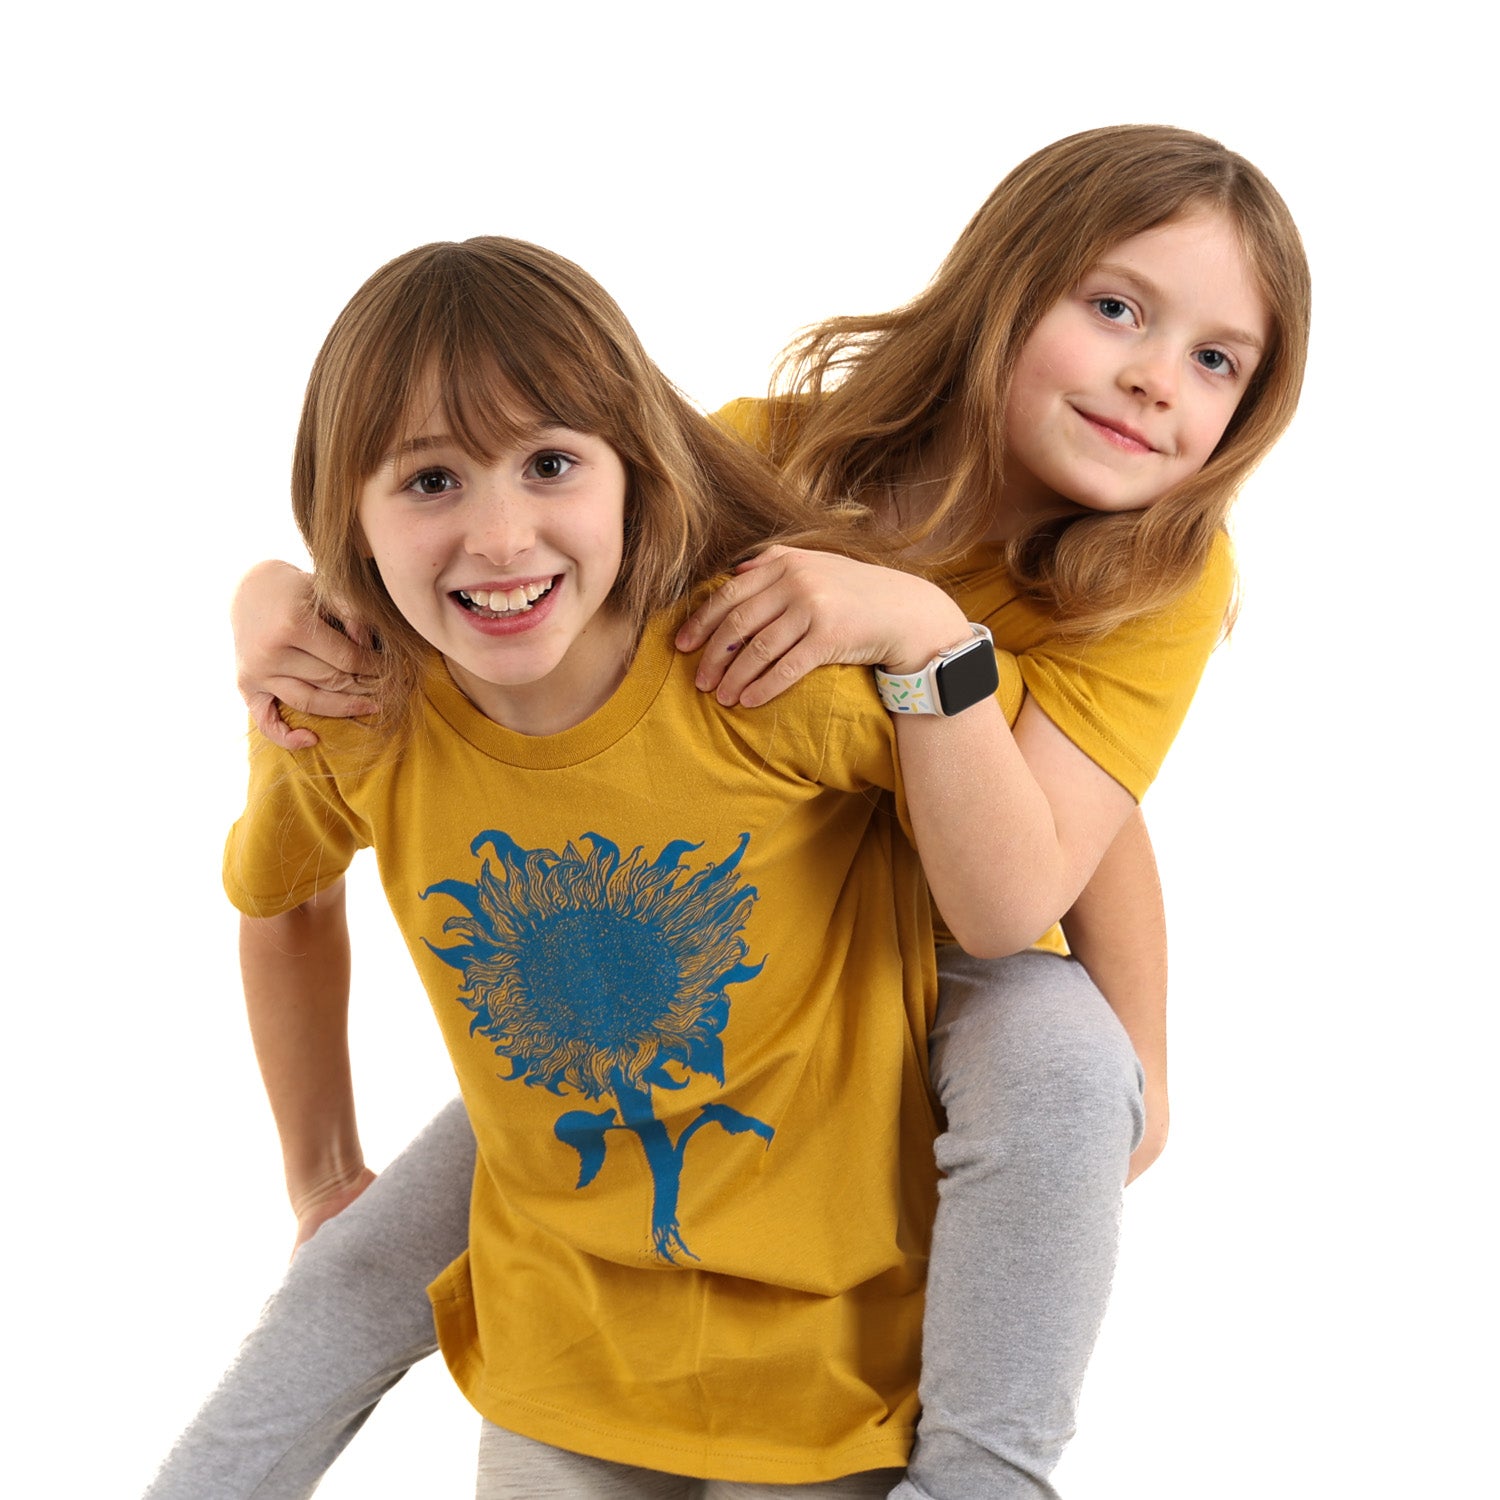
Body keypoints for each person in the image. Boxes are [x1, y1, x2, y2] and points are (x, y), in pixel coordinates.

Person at [154, 124, 1310, 1498]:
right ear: (1004, 285)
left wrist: (1141, 1058)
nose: (1154, 376)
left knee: (1058, 1058)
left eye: (1217, 361)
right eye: (1115, 308)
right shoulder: (775, 455)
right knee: (379, 1249)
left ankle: (982, 1475)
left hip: (965, 946)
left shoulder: (1166, 570)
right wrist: (278, 594)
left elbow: (1067, 846)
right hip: (734, 931)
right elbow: (557, 547)